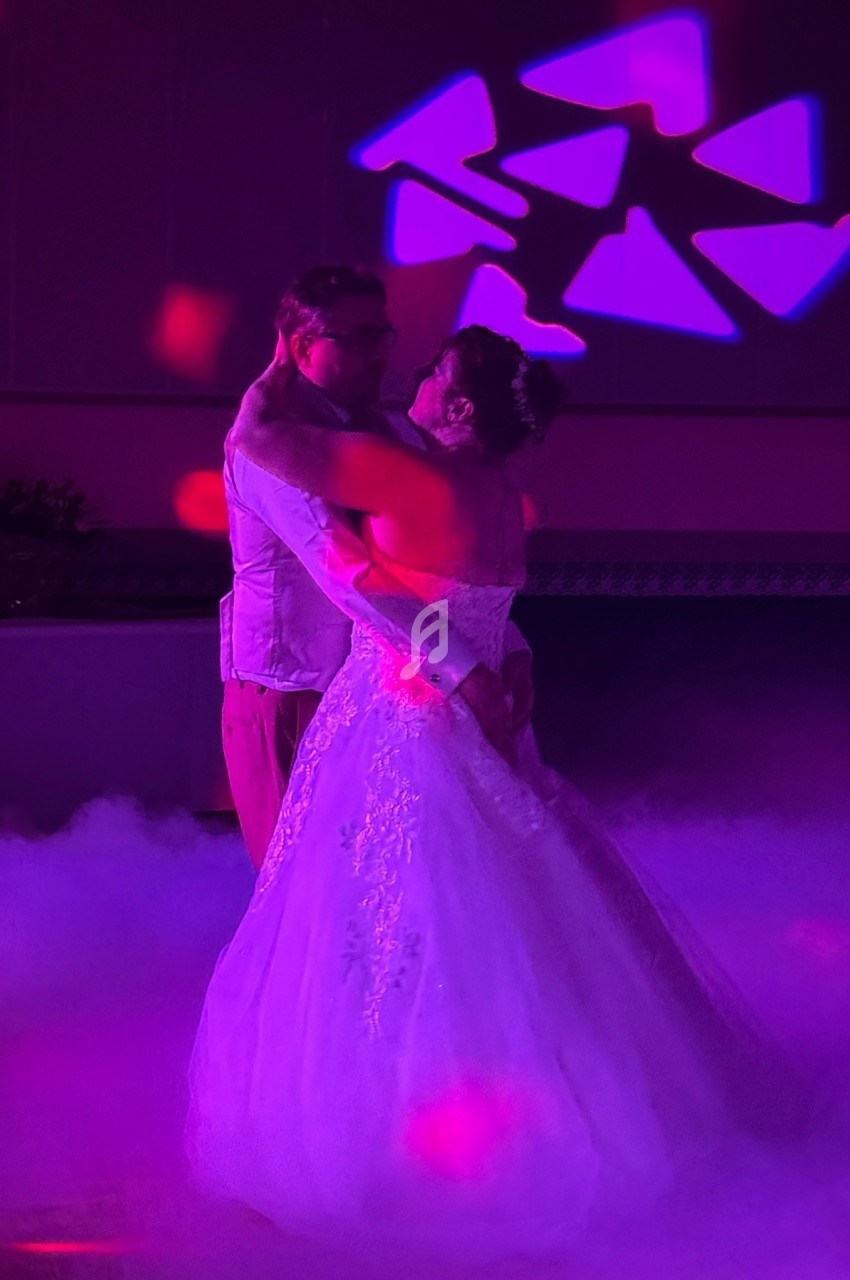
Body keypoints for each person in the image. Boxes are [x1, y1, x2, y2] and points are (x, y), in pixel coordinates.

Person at [188, 325, 810, 1263]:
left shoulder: (411, 478)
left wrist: (279, 365)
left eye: (433, 375)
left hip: (399, 721)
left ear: (463, 407)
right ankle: (553, 1108)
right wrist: (492, 662)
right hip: (483, 725)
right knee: (502, 918)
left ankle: (398, 1138)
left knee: (387, 927)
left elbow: (257, 447)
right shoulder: (504, 501)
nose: (418, 383)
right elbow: (471, 605)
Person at [220, 266, 532, 870]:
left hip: (392, 691)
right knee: (306, 901)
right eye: (358, 338)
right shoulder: (272, 444)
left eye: (383, 335)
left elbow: (441, 570)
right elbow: (350, 573)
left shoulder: (399, 431)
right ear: (304, 346)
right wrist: (466, 668)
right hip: (294, 693)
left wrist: (506, 642)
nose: (380, 355)